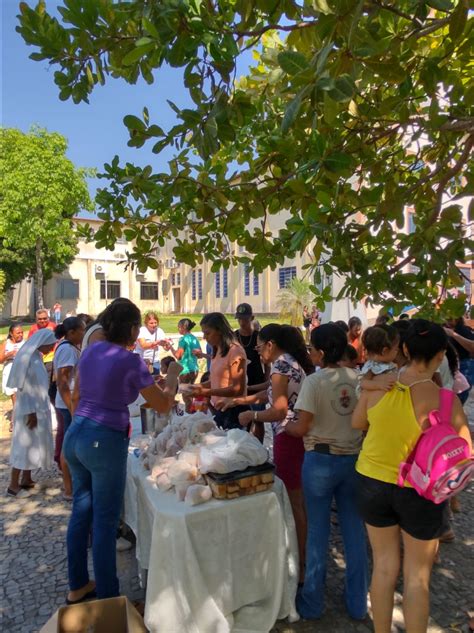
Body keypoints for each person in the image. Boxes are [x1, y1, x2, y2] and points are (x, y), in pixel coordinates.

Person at [352, 319, 471, 633]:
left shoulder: (377, 385)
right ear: (441, 355)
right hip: (421, 490)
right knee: (418, 577)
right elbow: (466, 452)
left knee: (383, 567)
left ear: (403, 348)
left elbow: (358, 422)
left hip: (371, 481)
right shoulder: (447, 400)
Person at [63, 300, 176, 603]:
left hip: (76, 435)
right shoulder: (130, 360)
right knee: (104, 521)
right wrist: (174, 379)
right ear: (132, 328)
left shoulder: (90, 351)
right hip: (104, 439)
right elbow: (163, 404)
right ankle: (110, 599)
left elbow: (81, 392)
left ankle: (77, 585)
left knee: (81, 511)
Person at [288, 323, 368, 620]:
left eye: (311, 348)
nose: (310, 353)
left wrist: (286, 425)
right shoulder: (360, 379)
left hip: (321, 462)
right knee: (354, 532)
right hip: (354, 460)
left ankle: (312, 603)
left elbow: (303, 426)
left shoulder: (315, 382)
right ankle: (358, 603)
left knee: (318, 533)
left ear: (321, 352)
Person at [235, 324, 313, 585]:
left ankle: (301, 566)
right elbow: (269, 391)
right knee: (298, 503)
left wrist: (252, 415)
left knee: (295, 504)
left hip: (289, 438)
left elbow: (278, 409)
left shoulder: (280, 365)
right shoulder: (289, 362)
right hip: (297, 439)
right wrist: (239, 400)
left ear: (270, 345)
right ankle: (302, 560)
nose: (257, 352)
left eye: (258, 346)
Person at [6, 329, 57, 497]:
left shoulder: (35, 356)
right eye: (50, 345)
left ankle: (26, 479)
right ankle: (13, 485)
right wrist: (31, 413)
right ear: (42, 342)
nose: (51, 348)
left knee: (33, 444)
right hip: (29, 410)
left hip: (37, 408)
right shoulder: (28, 359)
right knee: (23, 445)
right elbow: (25, 388)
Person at [189, 312, 247, 430]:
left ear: (219, 330)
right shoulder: (217, 349)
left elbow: (237, 389)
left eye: (208, 333)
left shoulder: (235, 351)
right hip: (220, 407)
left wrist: (205, 392)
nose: (205, 337)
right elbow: (217, 380)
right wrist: (197, 387)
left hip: (233, 409)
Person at [52, 317, 86, 500]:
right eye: (82, 330)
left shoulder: (71, 348)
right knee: (68, 445)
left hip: (71, 402)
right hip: (68, 404)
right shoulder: (67, 351)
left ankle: (73, 485)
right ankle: (68, 489)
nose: (84, 333)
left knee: (71, 444)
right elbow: (63, 383)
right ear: (72, 332)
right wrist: (72, 407)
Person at [234, 303, 269, 395]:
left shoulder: (259, 336)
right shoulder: (234, 336)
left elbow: (267, 362)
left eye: (245, 319)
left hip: (257, 380)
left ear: (252, 318)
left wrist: (266, 380)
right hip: (238, 379)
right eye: (239, 319)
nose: (242, 322)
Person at [168, 318, 201, 411]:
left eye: (178, 327)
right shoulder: (194, 338)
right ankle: (192, 411)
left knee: (186, 396)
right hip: (194, 369)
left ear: (183, 327)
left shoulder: (183, 339)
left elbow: (178, 356)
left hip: (185, 370)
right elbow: (199, 354)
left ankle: (189, 413)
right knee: (190, 393)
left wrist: (171, 347)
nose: (178, 329)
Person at [0, 324, 25, 431]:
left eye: (21, 332)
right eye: (18, 333)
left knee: (21, 396)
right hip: (10, 369)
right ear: (11, 333)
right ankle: (14, 421)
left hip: (23, 370)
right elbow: (0, 359)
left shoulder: (25, 343)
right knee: (15, 396)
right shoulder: (6, 344)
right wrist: (8, 354)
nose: (20, 334)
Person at [445, 316, 474, 404]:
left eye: (450, 319)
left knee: (461, 393)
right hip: (453, 365)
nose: (447, 321)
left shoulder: (463, 330)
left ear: (457, 319)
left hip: (465, 364)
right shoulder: (447, 328)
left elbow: (472, 347)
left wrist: (454, 334)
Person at [134, 310, 168, 375]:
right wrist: (156, 343)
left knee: (156, 380)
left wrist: (167, 345)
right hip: (142, 361)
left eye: (155, 322)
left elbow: (165, 347)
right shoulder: (142, 330)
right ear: (146, 323)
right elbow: (143, 345)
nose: (154, 325)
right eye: (151, 323)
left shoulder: (159, 331)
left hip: (155, 361)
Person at [28, 308, 56, 379]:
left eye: (44, 318)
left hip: (50, 358)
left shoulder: (53, 326)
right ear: (36, 319)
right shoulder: (33, 328)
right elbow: (29, 343)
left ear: (48, 318)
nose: (42, 320)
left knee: (48, 380)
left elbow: (59, 340)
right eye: (40, 319)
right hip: (38, 358)